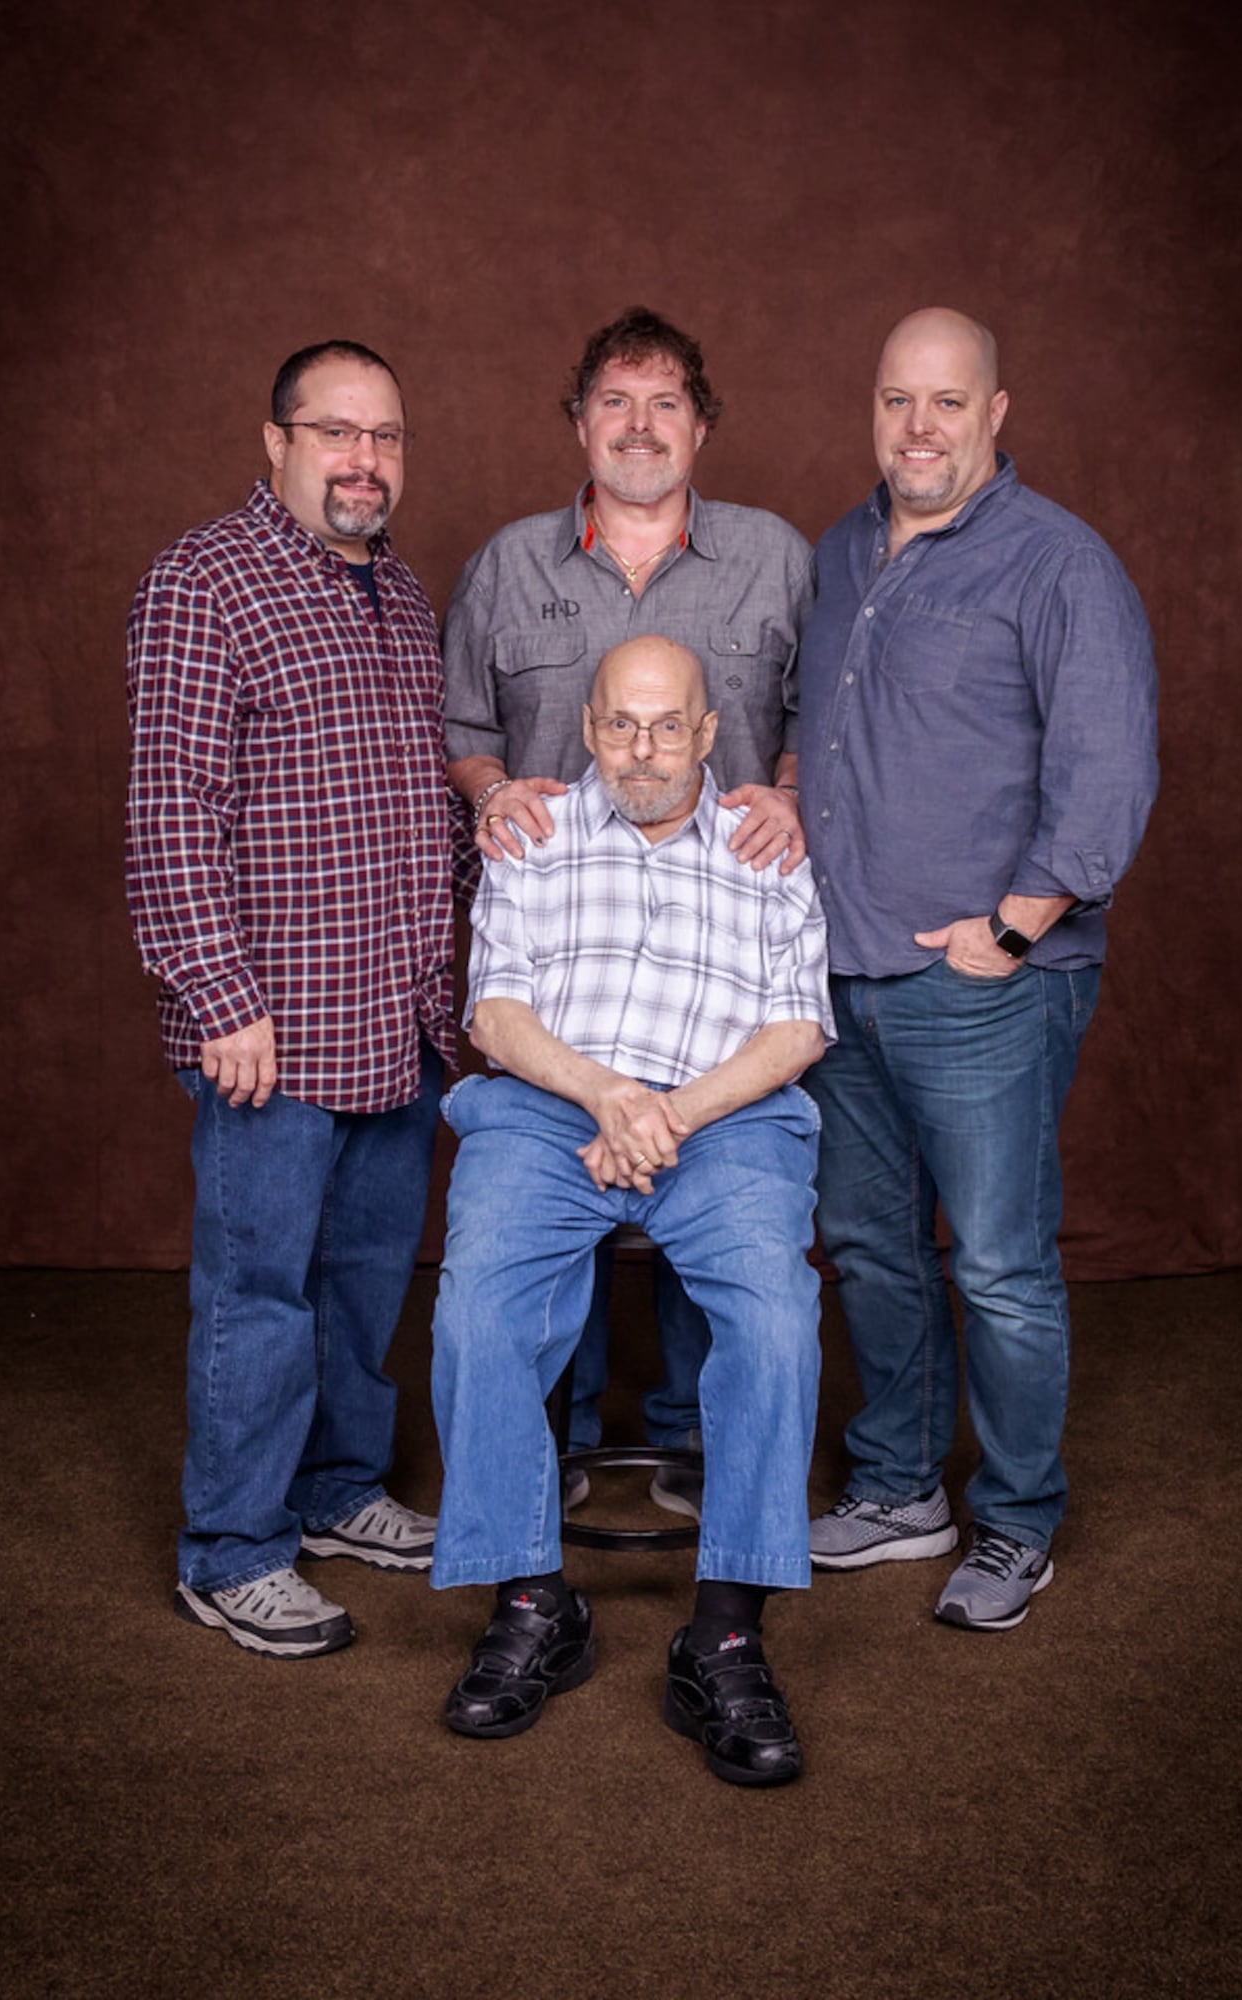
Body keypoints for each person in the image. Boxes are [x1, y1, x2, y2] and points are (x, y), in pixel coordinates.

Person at [799, 308, 1158, 1631]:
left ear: (996, 412)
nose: (921, 427)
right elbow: (823, 738)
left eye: (949, 402)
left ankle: (1015, 1522)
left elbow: (1109, 767)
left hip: (986, 983)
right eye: (899, 400)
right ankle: (899, 1488)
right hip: (842, 980)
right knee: (868, 1246)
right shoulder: (841, 550)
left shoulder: (1059, 563)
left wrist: (1011, 928)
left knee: (999, 1263)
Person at [431, 636, 832, 1786]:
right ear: (587, 727)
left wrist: (667, 1111)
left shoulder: (768, 845)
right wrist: (606, 1093)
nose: (643, 751)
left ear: (710, 731)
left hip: (727, 1117)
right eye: (618, 725)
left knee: (773, 1320)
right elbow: (495, 1013)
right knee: (478, 1314)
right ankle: (530, 1599)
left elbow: (798, 1029)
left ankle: (725, 1629)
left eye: (668, 726)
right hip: (553, 1107)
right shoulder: (536, 832)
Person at [442, 307, 814, 1505]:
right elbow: (461, 730)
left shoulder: (776, 557)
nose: (639, 426)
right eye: (614, 400)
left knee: (722, 1195)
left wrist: (791, 800)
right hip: (559, 947)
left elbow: (818, 722)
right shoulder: (509, 563)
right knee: (540, 1204)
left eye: (664, 404)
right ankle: (548, 1448)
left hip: (727, 955)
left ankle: (691, 1443)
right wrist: (496, 793)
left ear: (700, 425)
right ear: (579, 422)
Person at [125, 340, 455, 1660]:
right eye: (334, 432)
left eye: (384, 435)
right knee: (260, 1292)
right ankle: (233, 1547)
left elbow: (423, 814)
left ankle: (333, 1491)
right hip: (270, 1029)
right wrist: (219, 997)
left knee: (364, 1281)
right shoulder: (203, 583)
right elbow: (171, 814)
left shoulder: (406, 597)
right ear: (278, 443)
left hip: (394, 1017)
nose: (363, 458)